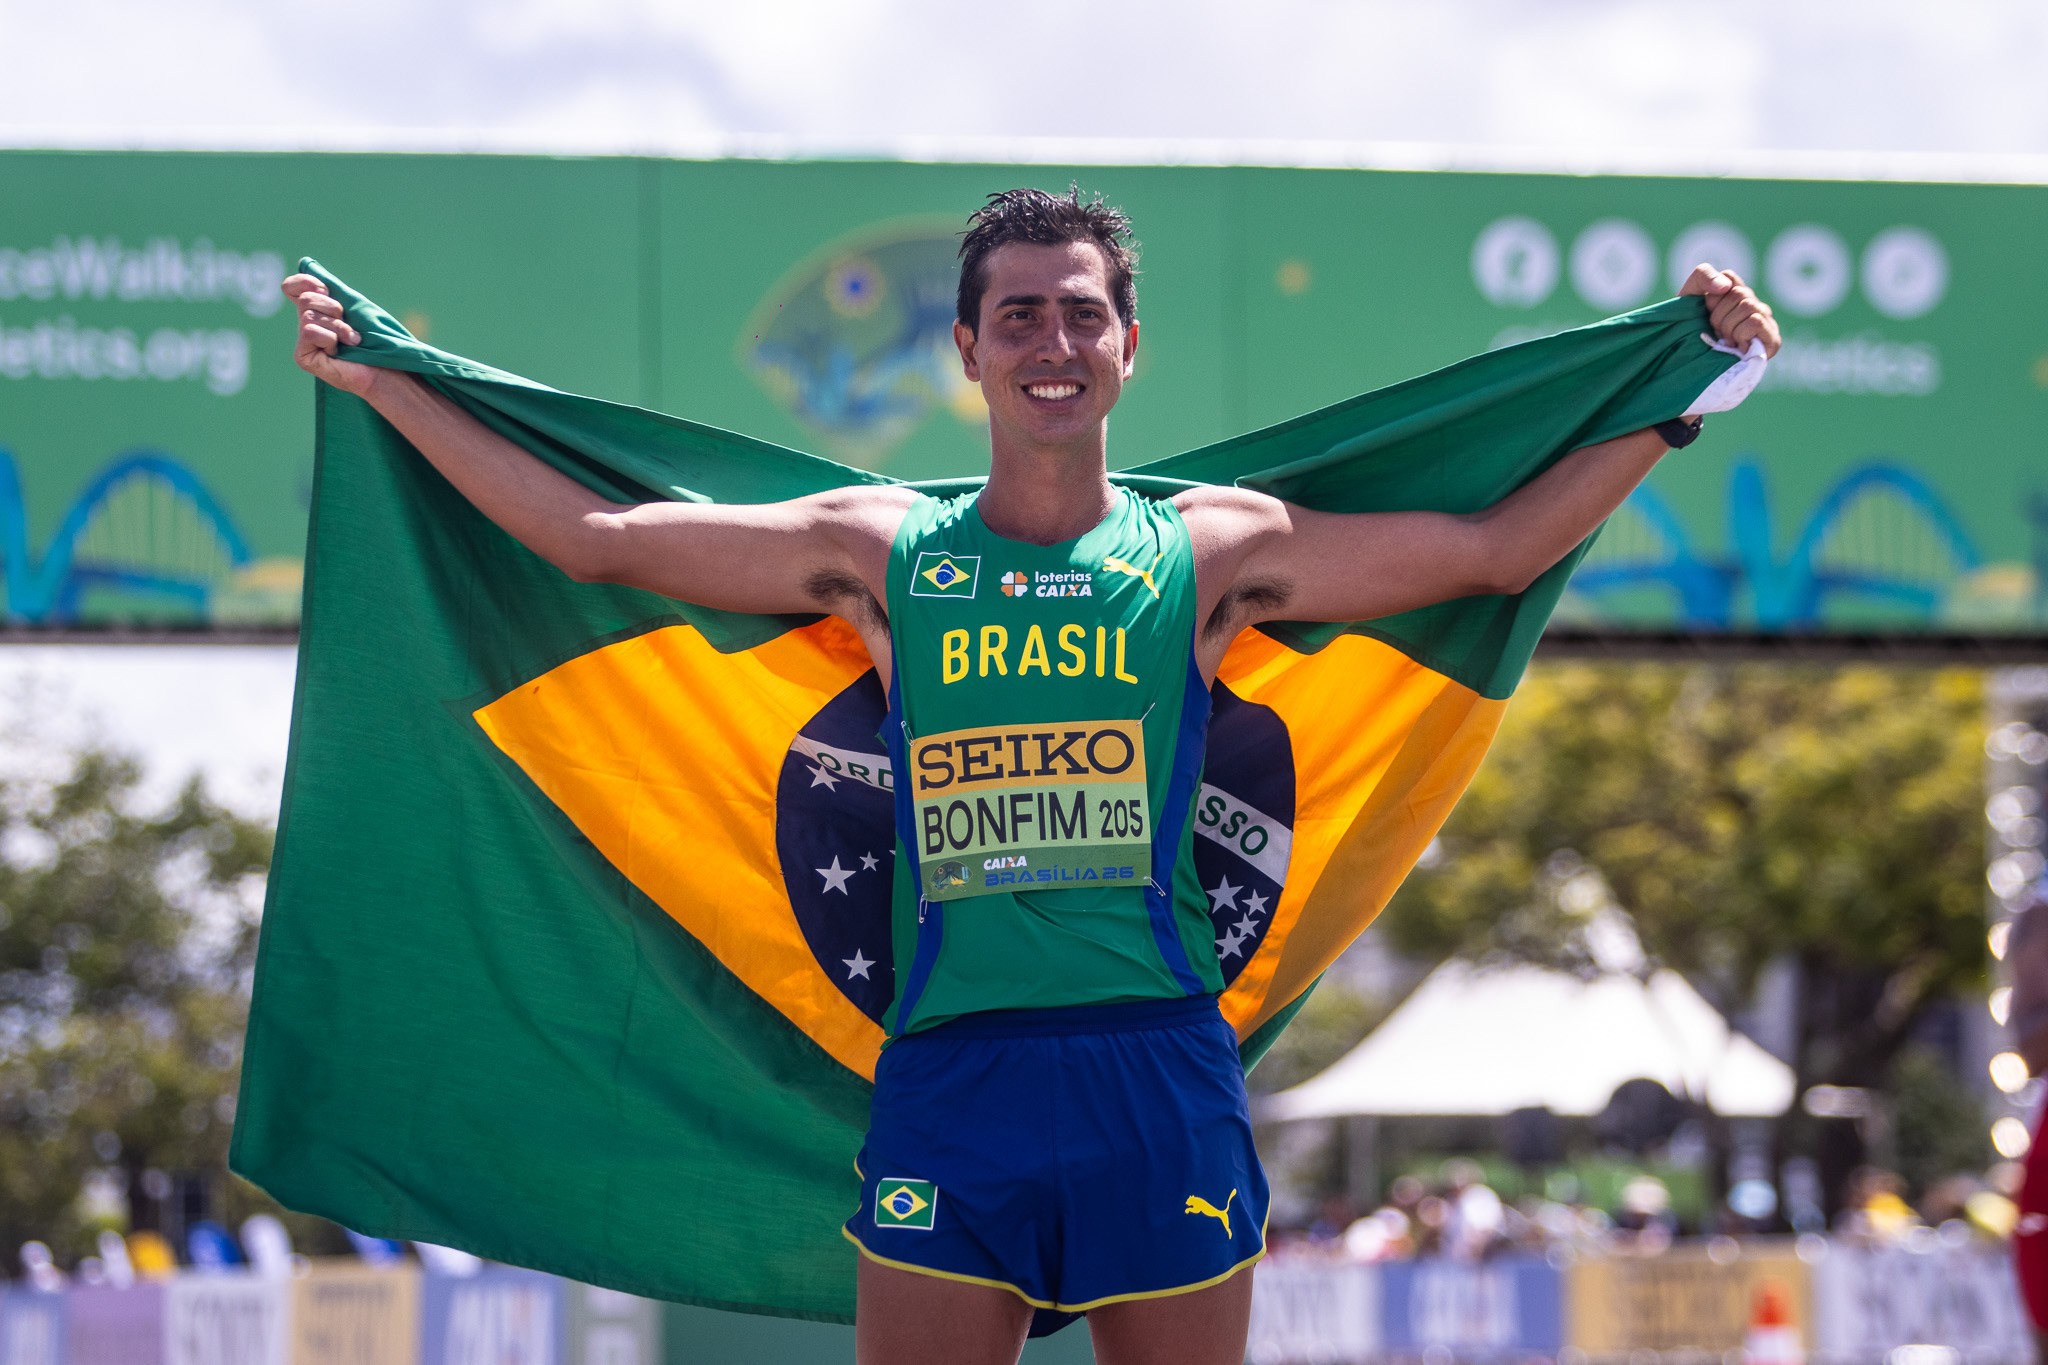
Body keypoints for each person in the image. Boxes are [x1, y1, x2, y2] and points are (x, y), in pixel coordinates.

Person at [282, 186, 1779, 1365]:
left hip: (1158, 1074)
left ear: (1130, 344)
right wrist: (388, 383)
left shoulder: (1210, 550)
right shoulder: (883, 552)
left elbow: (1496, 552)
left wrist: (1678, 396)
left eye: (1078, 315)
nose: (1049, 343)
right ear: (968, 350)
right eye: (1016, 317)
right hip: (952, 1079)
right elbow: (598, 544)